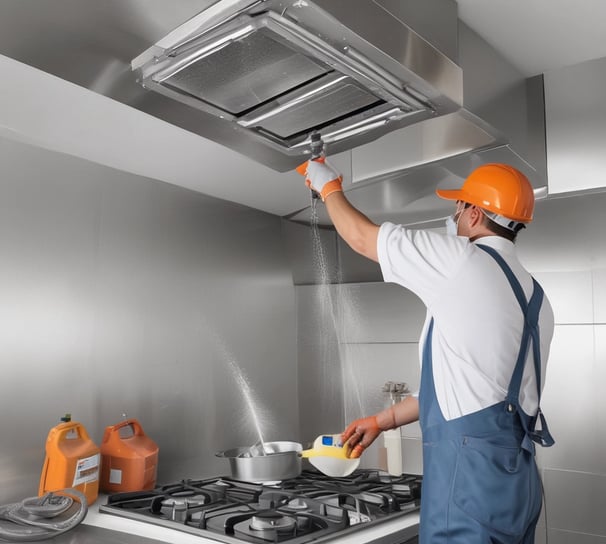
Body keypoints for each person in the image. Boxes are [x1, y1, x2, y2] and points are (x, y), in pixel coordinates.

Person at [297, 159, 555, 543]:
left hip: (468, 485)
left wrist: (328, 185)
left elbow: (360, 238)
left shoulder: (461, 261)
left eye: (458, 208)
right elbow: (469, 390)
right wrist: (381, 421)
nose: (454, 217)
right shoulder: (538, 298)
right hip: (519, 484)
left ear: (473, 213)